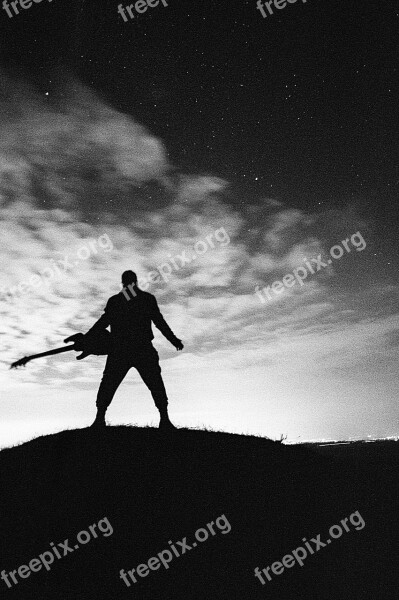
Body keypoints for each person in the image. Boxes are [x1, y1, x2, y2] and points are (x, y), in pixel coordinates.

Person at [78, 270, 183, 431]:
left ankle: (165, 419)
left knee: (155, 382)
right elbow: (103, 322)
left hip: (141, 348)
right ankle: (99, 419)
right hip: (120, 349)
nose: (127, 286)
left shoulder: (145, 300)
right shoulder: (117, 301)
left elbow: (159, 321)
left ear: (132, 283)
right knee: (108, 383)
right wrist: (87, 339)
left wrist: (173, 339)